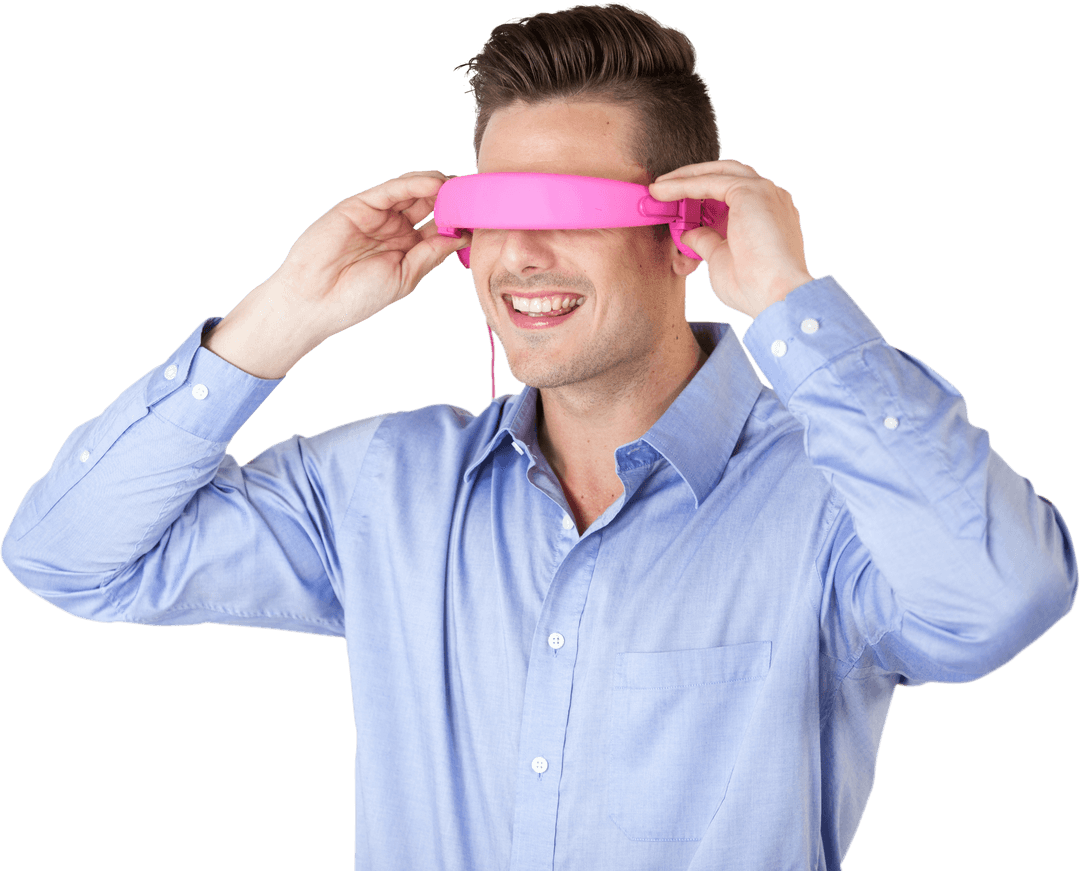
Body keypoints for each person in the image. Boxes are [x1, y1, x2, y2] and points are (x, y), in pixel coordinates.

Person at [2, 4, 1076, 869]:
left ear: (687, 229)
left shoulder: (833, 502)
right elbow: (69, 556)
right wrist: (282, 315)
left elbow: (1003, 599)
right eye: (490, 213)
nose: (519, 255)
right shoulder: (386, 489)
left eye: (567, 207)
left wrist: (793, 303)